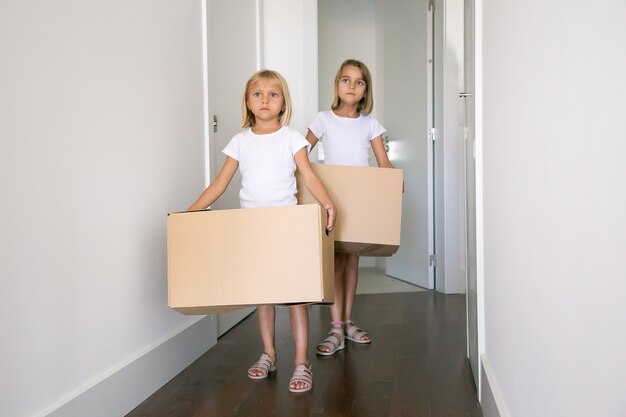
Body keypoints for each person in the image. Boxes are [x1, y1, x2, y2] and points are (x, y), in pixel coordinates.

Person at [188, 69, 336, 393]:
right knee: (263, 294)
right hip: (253, 227)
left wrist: (328, 204)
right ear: (248, 101)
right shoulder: (239, 142)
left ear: (283, 103)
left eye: (273, 94)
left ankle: (301, 362)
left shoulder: (292, 138)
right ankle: (269, 353)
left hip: (286, 225)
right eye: (258, 94)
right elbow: (221, 182)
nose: (265, 100)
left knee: (297, 296)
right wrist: (192, 211)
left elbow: (309, 176)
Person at [306, 59, 395, 356]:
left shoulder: (370, 124)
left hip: (359, 199)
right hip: (332, 198)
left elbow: (383, 163)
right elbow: (301, 156)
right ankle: (335, 327)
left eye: (359, 82)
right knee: (335, 261)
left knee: (353, 260)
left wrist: (396, 184)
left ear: (365, 89)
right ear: (336, 85)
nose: (352, 86)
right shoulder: (322, 119)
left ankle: (347, 321)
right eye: (346, 80)